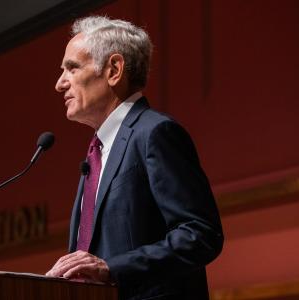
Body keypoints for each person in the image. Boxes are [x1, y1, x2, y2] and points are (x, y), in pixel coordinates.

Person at [45, 16, 224, 299]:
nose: (59, 84)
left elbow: (200, 235)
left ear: (114, 70)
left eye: (72, 68)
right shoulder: (98, 151)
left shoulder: (154, 133)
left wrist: (112, 268)